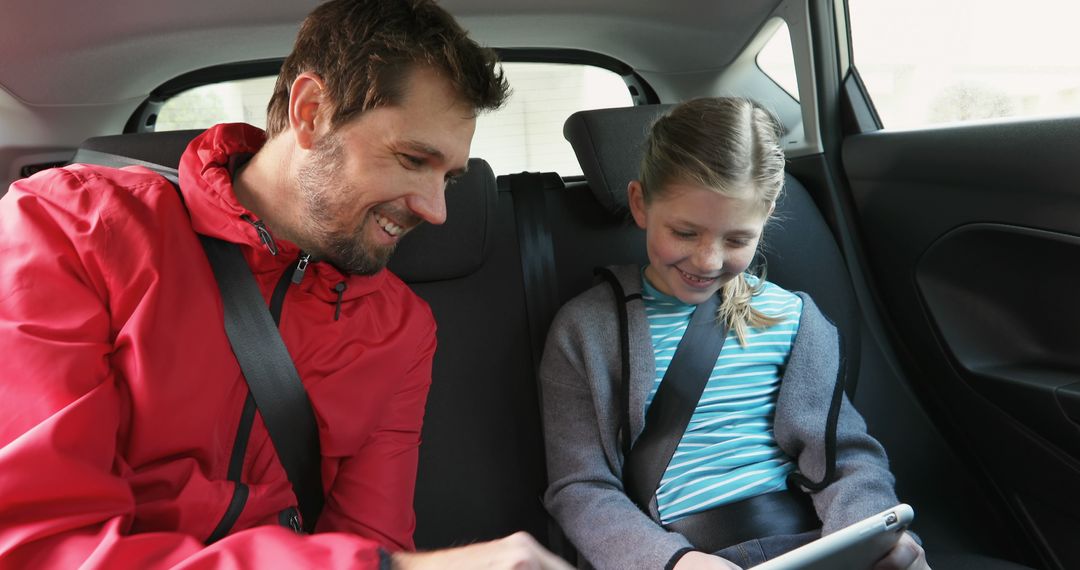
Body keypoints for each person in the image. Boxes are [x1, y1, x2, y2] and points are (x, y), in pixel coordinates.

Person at [0, 1, 570, 568]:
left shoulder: (402, 328)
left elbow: (372, 535)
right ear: (312, 111)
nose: (437, 209)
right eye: (413, 158)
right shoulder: (70, 226)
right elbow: (41, 547)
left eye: (448, 177)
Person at [539, 97, 929, 570]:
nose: (708, 261)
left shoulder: (794, 321)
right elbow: (581, 487)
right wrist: (675, 562)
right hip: (673, 556)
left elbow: (844, 457)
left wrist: (870, 538)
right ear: (640, 204)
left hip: (806, 547)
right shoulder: (584, 331)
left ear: (764, 219)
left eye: (737, 239)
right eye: (684, 233)